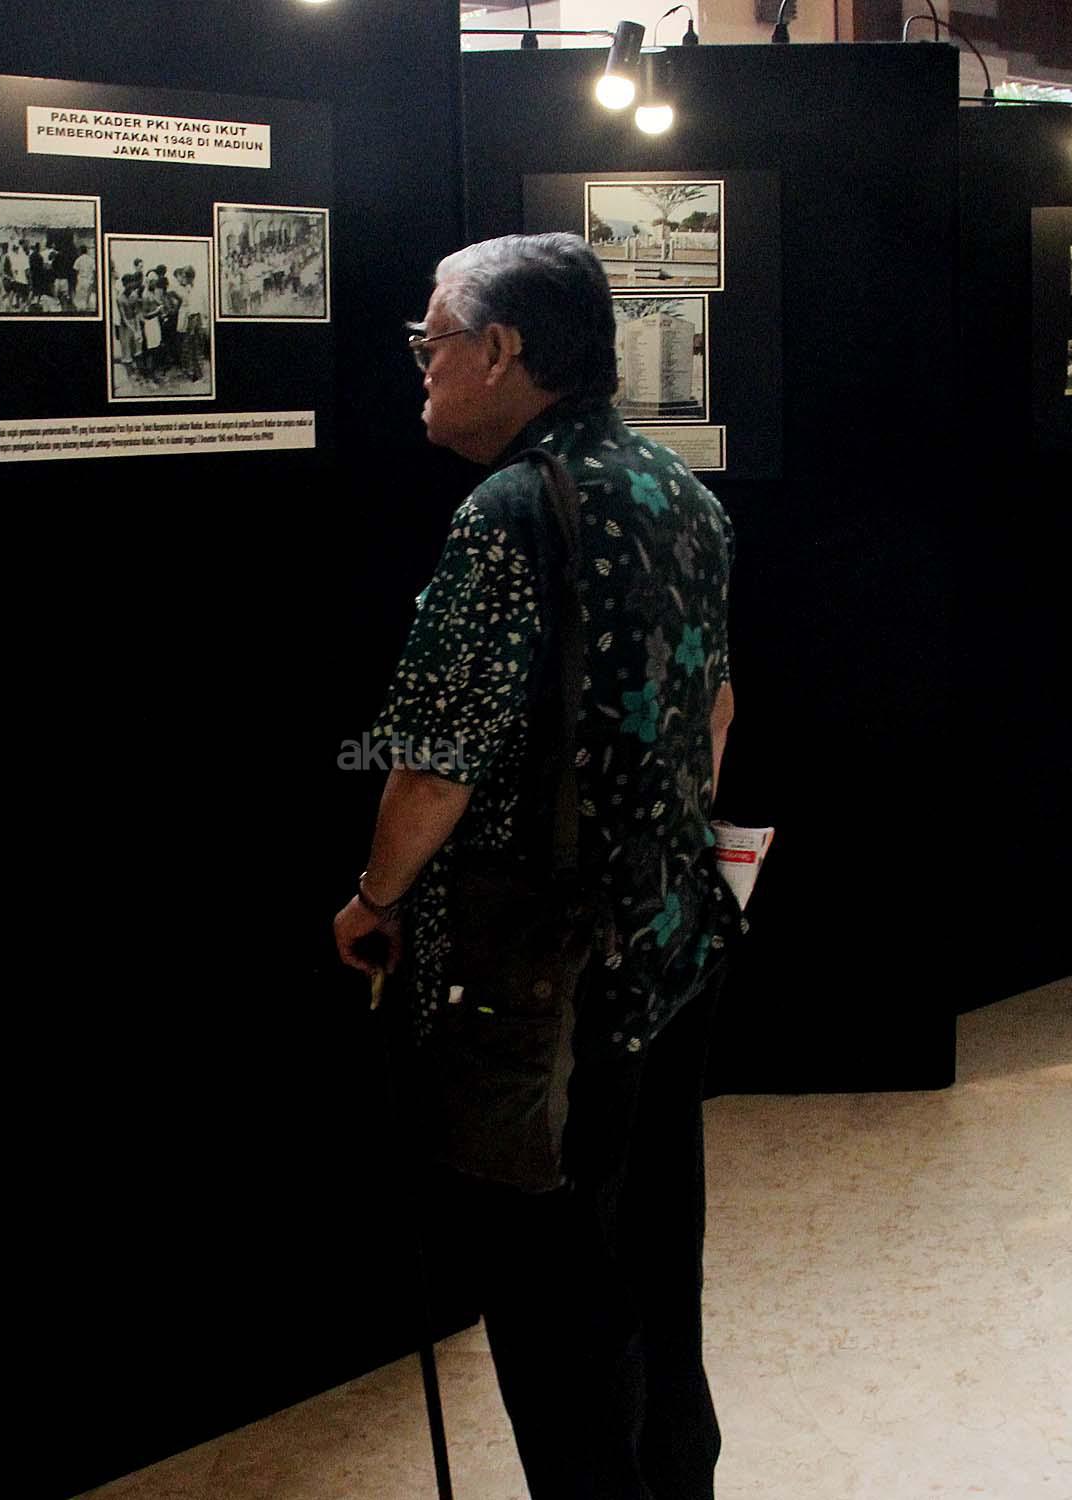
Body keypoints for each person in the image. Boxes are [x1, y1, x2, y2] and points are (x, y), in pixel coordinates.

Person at [332, 232, 740, 1500]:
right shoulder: (678, 490)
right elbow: (717, 710)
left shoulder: (510, 511)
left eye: (433, 341)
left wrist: (375, 899)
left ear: (501, 350)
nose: (422, 365)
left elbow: (435, 765)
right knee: (655, 1256)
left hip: (540, 981)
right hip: (667, 944)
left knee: (553, 1290)